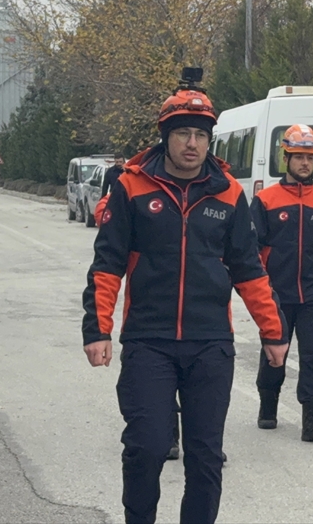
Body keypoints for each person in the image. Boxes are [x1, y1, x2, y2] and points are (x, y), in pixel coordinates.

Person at [81, 70, 290, 524]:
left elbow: (249, 269)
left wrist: (274, 332)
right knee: (147, 446)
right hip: (148, 341)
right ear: (166, 137)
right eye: (182, 134)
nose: (192, 143)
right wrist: (98, 329)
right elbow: (107, 264)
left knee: (205, 456)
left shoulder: (229, 193)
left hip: (210, 343)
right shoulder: (131, 187)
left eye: (200, 134)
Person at [250, 124, 313, 442]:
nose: (305, 163)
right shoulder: (265, 201)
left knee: (312, 355)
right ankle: (268, 401)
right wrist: (260, 290)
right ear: (286, 157)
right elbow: (253, 251)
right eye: (299, 157)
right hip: (276, 294)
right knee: (274, 354)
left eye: (310, 157)